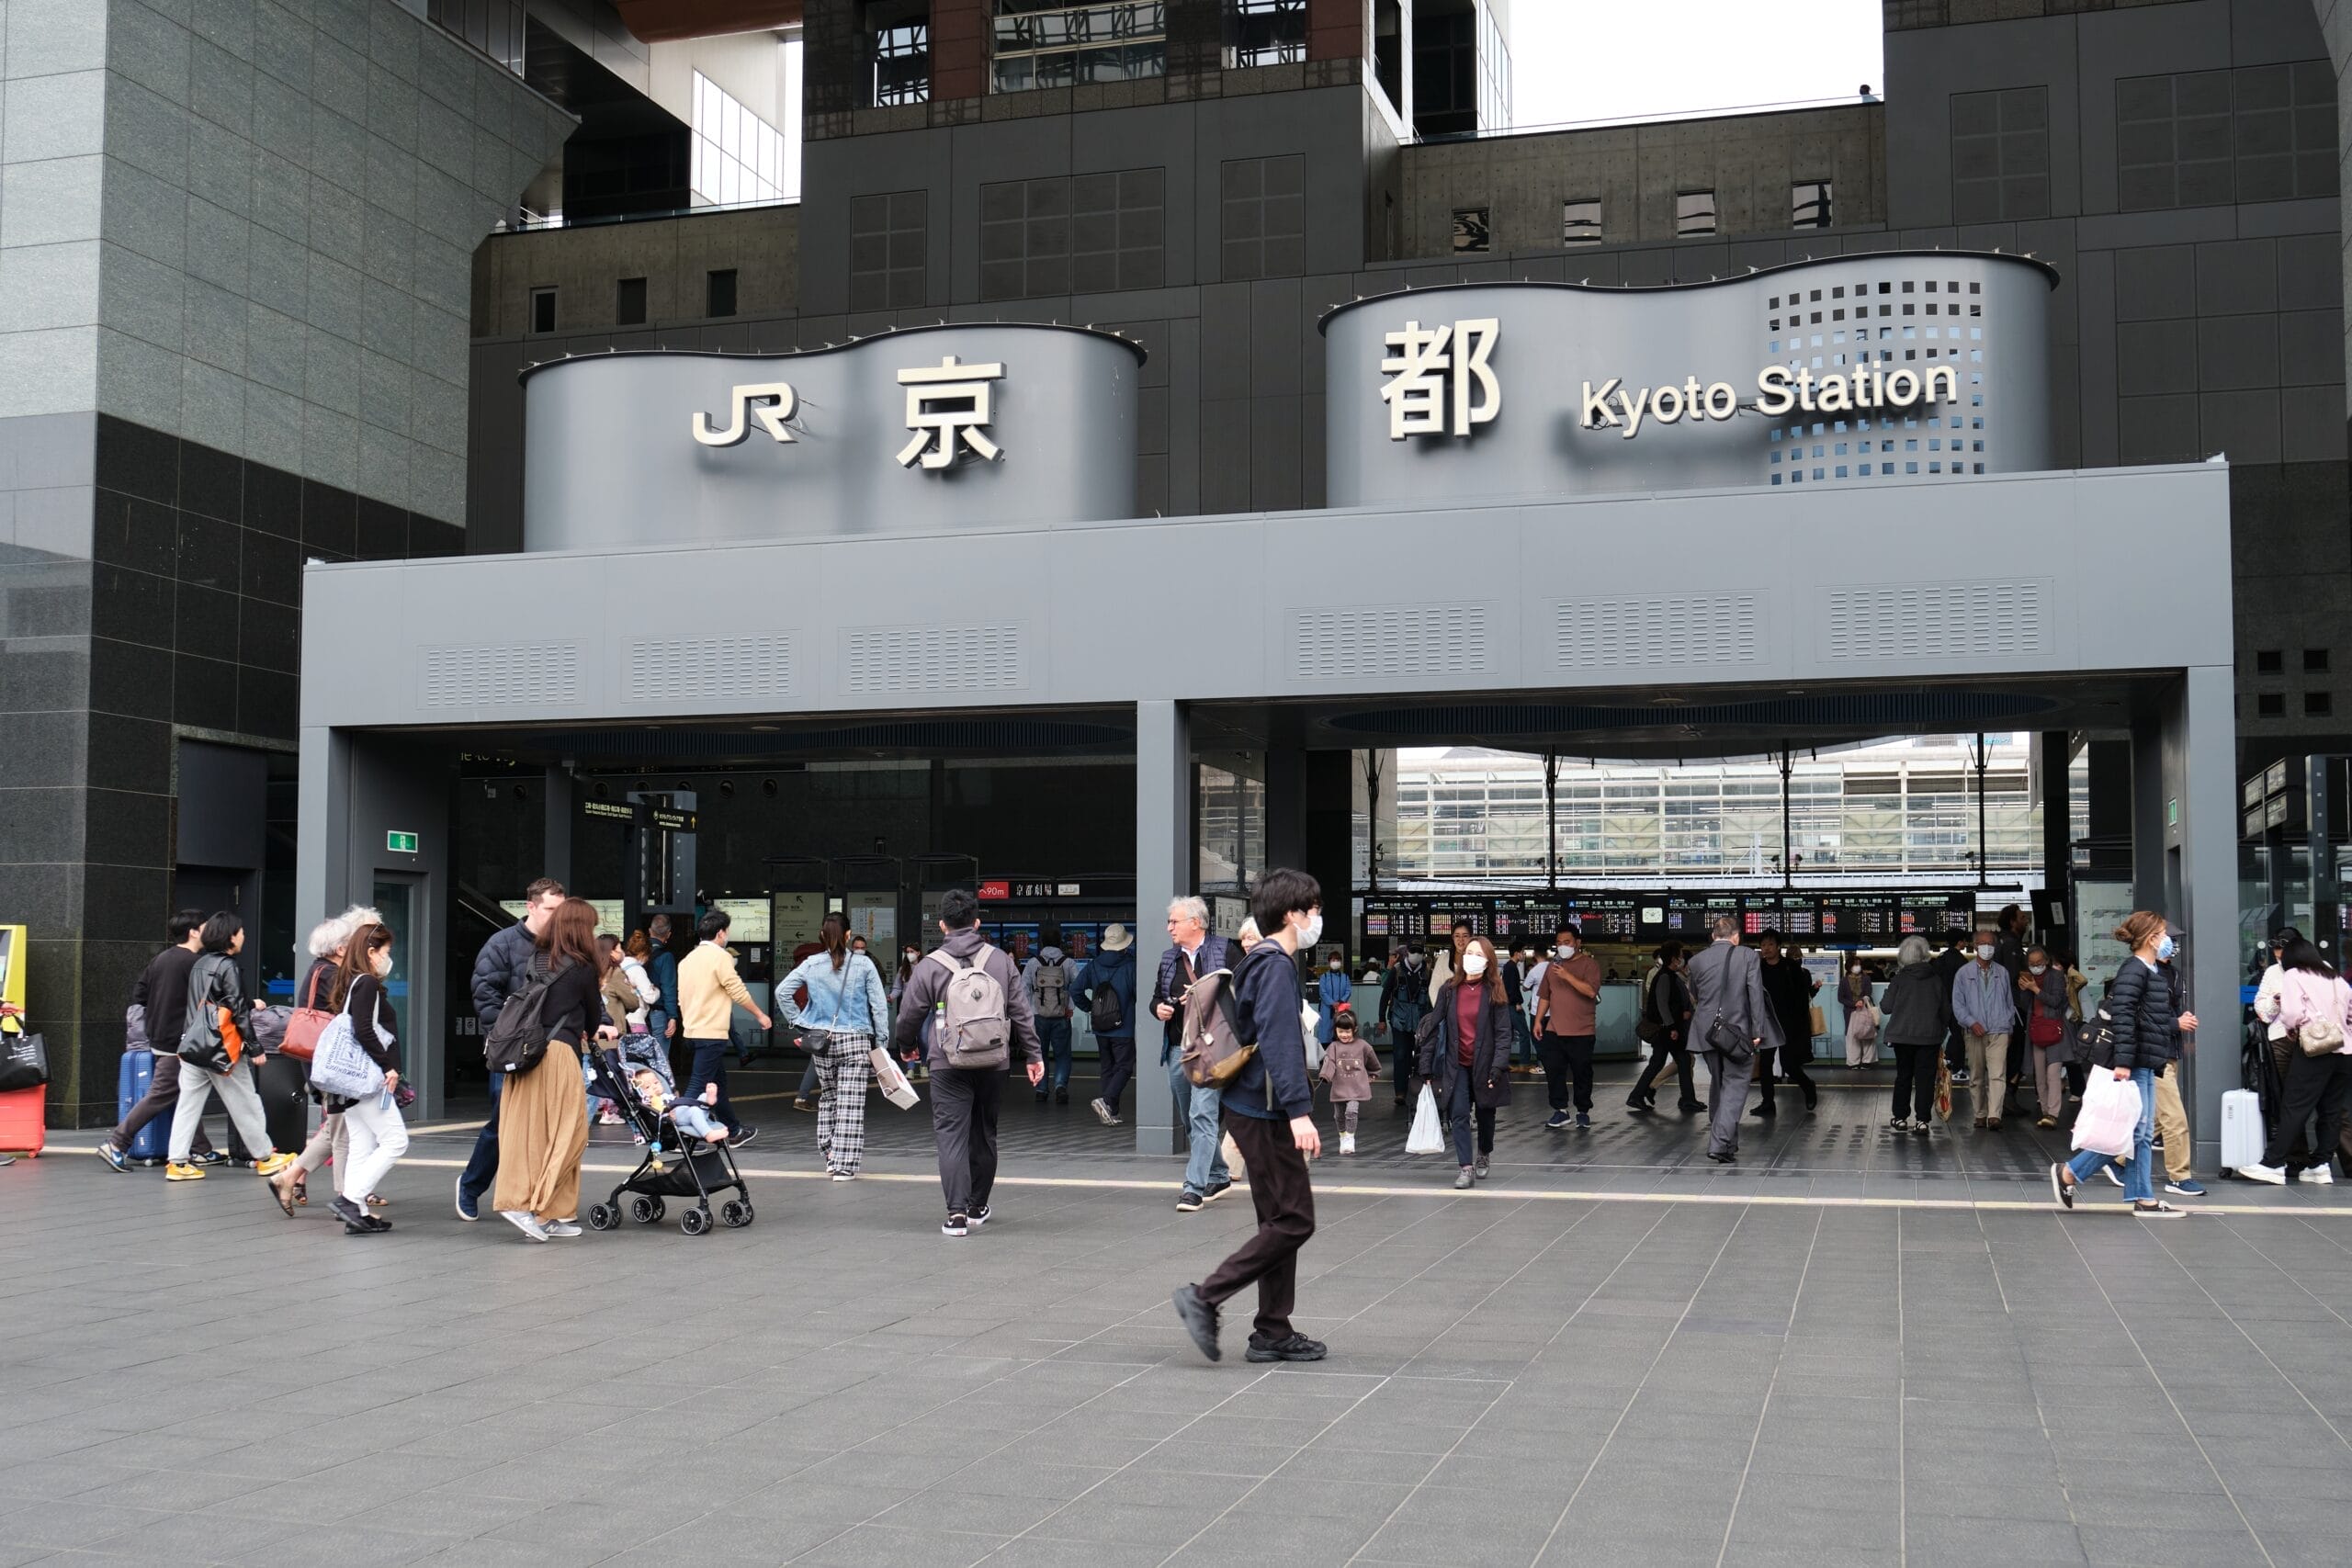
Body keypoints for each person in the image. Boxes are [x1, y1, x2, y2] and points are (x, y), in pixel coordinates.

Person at [1171, 867, 1326, 1365]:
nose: (1317, 918)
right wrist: (1300, 1114)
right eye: (1313, 909)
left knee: (1278, 1220)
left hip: (1251, 1106)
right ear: (1291, 915)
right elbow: (1280, 1042)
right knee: (1295, 1220)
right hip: (1264, 1111)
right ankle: (1206, 1296)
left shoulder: (1258, 960)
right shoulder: (1276, 964)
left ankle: (1272, 1330)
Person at [888, 887, 1045, 1235]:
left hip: (947, 1062)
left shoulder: (930, 966)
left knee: (951, 1136)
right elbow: (1021, 1011)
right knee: (984, 1133)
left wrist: (907, 1046)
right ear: (976, 922)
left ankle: (956, 1215)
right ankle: (977, 1206)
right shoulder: (1001, 961)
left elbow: (908, 1015)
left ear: (943, 925)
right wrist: (1033, 1054)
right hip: (994, 1061)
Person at [2052, 911, 2192, 1218]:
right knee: (2135, 1130)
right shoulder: (2136, 970)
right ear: (2151, 938)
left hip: (2144, 1060)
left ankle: (2080, 1176)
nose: (2167, 939)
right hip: (2135, 1061)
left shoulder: (2148, 969)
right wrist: (2125, 1062)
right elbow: (2124, 1016)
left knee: (2136, 1131)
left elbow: (2146, 1017)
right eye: (2162, 932)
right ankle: (2133, 1193)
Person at [492, 897, 610, 1240]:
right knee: (570, 1133)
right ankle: (533, 1206)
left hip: (526, 1054)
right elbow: (592, 1016)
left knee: (525, 1136)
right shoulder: (584, 967)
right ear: (581, 929)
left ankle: (549, 1212)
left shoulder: (536, 958)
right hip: (558, 1055)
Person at [455, 877, 567, 1222]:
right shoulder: (501, 944)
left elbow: (582, 989)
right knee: (504, 1123)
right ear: (530, 906)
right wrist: (503, 1037)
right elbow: (485, 994)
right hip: (512, 1050)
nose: (557, 917)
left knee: (548, 1126)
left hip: (552, 1047)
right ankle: (471, 1186)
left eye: (561, 910)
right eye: (550, 909)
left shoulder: (565, 946)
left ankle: (535, 1198)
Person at [163, 912, 297, 1182]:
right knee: (245, 1101)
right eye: (241, 932)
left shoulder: (200, 963)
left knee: (188, 1105)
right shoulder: (228, 966)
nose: (244, 936)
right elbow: (236, 1011)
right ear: (231, 937)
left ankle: (177, 1163)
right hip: (222, 1048)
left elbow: (213, 1003)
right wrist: (255, 1047)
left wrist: (247, 1003)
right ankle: (266, 1158)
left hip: (193, 1046)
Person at [273, 905, 387, 1209]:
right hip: (333, 1063)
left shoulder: (318, 969)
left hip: (322, 1060)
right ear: (339, 948)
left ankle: (291, 1176)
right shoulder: (333, 975)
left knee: (337, 1125)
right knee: (343, 1130)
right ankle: (346, 1196)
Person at [99, 910, 223, 1172]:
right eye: (205, 927)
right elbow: (218, 996)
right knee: (162, 1093)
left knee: (184, 1089)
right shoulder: (195, 963)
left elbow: (139, 994)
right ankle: (117, 1143)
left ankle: (200, 1149)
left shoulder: (160, 959)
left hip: (158, 1036)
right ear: (194, 932)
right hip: (180, 1041)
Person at [777, 913, 890, 1181]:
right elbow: (878, 1006)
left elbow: (782, 991)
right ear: (849, 935)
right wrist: (882, 1043)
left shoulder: (811, 964)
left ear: (821, 934)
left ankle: (829, 1155)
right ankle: (844, 1165)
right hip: (855, 1039)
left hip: (821, 1040)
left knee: (828, 1096)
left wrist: (801, 1023)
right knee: (851, 1103)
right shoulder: (863, 964)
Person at [312, 921, 409, 1235]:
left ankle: (357, 1213)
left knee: (362, 1145)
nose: (387, 957)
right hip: (367, 1079)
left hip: (350, 1083)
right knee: (395, 1141)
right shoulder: (366, 983)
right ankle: (352, 1200)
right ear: (371, 952)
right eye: (385, 951)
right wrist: (387, 1067)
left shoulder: (351, 980)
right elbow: (364, 1029)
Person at [2239, 936, 2352, 1185]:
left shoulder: (2294, 976)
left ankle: (2273, 1163)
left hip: (2315, 1049)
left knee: (2294, 1106)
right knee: (2331, 1110)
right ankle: (2321, 1165)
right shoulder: (2335, 978)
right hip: (2344, 1052)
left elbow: (2291, 1014)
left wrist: (2293, 1028)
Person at [1149, 897, 1236, 1212]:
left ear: (1195, 923)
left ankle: (1193, 1188)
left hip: (1213, 1049)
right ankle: (1219, 1173)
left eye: (1174, 921)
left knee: (1202, 1113)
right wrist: (1158, 1008)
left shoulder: (1225, 950)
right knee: (1190, 1115)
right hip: (1178, 1047)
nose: (1169, 927)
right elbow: (1155, 997)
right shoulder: (1168, 958)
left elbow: (1239, 996)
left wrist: (1205, 999)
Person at [1424, 935, 1514, 1188]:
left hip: (1485, 1064)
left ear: (1488, 962)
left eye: (1478, 955)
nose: (1471, 958)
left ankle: (1484, 1152)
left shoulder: (1494, 991)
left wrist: (1498, 1065)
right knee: (1459, 1113)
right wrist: (1425, 1062)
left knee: (1486, 1113)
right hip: (1457, 1064)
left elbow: (1504, 1033)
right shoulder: (1449, 990)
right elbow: (1434, 1025)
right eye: (1469, 953)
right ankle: (1465, 1167)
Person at [1684, 914, 1775, 1164]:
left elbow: (1694, 994)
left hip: (1706, 1032)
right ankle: (1718, 1142)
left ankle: (1728, 1145)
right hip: (1736, 1032)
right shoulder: (1747, 956)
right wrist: (1757, 1031)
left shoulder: (1697, 961)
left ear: (1713, 936)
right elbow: (1755, 994)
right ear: (1736, 937)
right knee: (1735, 1084)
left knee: (1719, 1084)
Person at [678, 908, 770, 1148]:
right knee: (697, 1086)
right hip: (711, 1033)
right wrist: (760, 1014)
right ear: (720, 933)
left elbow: (682, 997)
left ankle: (734, 1131)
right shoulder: (720, 957)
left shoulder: (688, 959)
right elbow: (737, 990)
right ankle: (678, 1134)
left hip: (692, 1032)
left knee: (716, 1085)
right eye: (727, 931)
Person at [1532, 923, 1602, 1130]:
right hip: (1555, 1028)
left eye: (1567, 942)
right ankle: (1560, 1110)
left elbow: (1590, 992)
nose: (1563, 946)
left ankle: (1583, 1111)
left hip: (1582, 1030)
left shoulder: (1590, 965)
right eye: (1559, 943)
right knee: (1554, 1071)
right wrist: (1538, 1020)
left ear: (1577, 943)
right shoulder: (1552, 967)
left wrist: (1567, 976)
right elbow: (1545, 995)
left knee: (1582, 1072)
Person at [1879, 934, 1950, 1133]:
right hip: (1929, 1037)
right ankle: (1922, 1121)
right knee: (1925, 1079)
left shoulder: (1899, 979)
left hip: (1902, 1037)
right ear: (1925, 955)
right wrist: (1941, 1030)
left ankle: (1900, 1118)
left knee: (1904, 1076)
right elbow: (1945, 1011)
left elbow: (1886, 1007)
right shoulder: (1936, 980)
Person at [1951, 929, 2018, 1128]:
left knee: (1998, 1074)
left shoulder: (2002, 972)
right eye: (1982, 943)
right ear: (1975, 946)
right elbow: (1958, 1004)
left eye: (1990, 943)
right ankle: (1980, 1114)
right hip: (1974, 1032)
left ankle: (1994, 1116)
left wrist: (2010, 1027)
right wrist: (1971, 1022)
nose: (1987, 947)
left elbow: (2009, 1003)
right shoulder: (1963, 974)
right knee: (1977, 1076)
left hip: (1999, 1030)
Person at [1628, 942, 1703, 1114]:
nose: (1681, 959)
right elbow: (1662, 1005)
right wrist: (1673, 1026)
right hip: (1667, 1030)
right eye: (1679, 955)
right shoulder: (1664, 977)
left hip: (1670, 1029)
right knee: (1677, 1061)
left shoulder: (1670, 975)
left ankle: (1639, 1095)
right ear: (1673, 958)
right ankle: (1686, 1099)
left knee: (1671, 1062)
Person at [1077, 922, 1139, 1127]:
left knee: (1108, 1067)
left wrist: (1089, 1008)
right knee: (1125, 1067)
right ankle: (1107, 1101)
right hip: (1124, 1027)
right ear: (1124, 945)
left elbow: (1075, 990)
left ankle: (1111, 1112)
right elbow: (1139, 993)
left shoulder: (1094, 965)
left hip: (1101, 1027)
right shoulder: (1131, 966)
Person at [1753, 931, 1820, 1117]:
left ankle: (1808, 1087)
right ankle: (1767, 1102)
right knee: (1765, 1064)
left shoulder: (1791, 967)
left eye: (1770, 945)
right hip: (1767, 1022)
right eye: (1763, 945)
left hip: (1789, 1023)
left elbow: (1801, 997)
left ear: (1778, 947)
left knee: (1788, 1064)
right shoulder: (1758, 969)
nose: (1766, 949)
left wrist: (1799, 1025)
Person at [1023, 924, 1078, 1105]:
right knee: (1063, 1054)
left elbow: (1024, 990)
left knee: (1040, 1054)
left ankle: (1041, 1089)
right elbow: (1076, 987)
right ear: (1060, 943)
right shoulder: (1068, 963)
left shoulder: (1033, 963)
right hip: (1062, 1016)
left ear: (1042, 943)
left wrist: (1030, 1010)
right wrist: (1070, 1006)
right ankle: (1060, 1086)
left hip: (1038, 1016)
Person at [2019, 945, 2072, 1129]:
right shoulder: (2028, 978)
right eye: (2032, 963)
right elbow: (2025, 1006)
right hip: (2036, 1030)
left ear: (2046, 962)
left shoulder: (2057, 977)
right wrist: (2025, 989)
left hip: (2054, 1029)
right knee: (2039, 1075)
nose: (2036, 966)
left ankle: (2053, 1113)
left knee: (2053, 1074)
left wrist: (2035, 989)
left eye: (2039, 963)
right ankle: (2045, 1111)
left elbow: (2056, 1001)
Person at [1318, 1007, 1379, 1154]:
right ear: (1335, 1031)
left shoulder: (1363, 1045)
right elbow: (1330, 1062)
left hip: (1356, 1087)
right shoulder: (1333, 1047)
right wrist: (1325, 1075)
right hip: (1339, 1086)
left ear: (1355, 1029)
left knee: (1351, 1112)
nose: (1344, 1035)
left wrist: (1373, 1074)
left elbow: (1373, 1061)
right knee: (1338, 1115)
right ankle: (1343, 1136)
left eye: (1347, 1031)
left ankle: (1350, 1138)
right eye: (1340, 1031)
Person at [1384, 945, 1430, 1107]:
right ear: (1407, 953)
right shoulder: (1397, 970)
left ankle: (1418, 1090)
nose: (1415, 955)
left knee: (1420, 1057)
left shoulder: (1427, 973)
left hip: (1420, 1022)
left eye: (1419, 952)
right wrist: (1381, 1019)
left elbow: (1431, 999)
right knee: (1400, 1056)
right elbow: (1385, 994)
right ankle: (1400, 1093)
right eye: (1413, 952)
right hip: (1399, 1021)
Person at [1932, 931, 1972, 1082]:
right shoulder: (1961, 961)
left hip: (1941, 1004)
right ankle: (1958, 1069)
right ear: (1960, 942)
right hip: (1957, 1004)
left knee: (1938, 1036)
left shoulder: (1941, 959)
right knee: (1959, 1035)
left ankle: (1945, 1059)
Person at [1839, 958, 1879, 1068]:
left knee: (1868, 1033)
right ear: (1849, 966)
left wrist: (1862, 1000)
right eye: (1855, 964)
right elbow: (1840, 998)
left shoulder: (1866, 979)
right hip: (1850, 1012)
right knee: (1852, 1036)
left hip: (1864, 1010)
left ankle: (1867, 1061)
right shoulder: (1844, 980)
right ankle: (1853, 1062)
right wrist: (1853, 1004)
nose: (1858, 967)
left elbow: (1868, 992)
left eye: (1859, 964)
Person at [1315, 952, 1351, 1047]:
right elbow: (1322, 992)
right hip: (1327, 1009)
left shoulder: (1345, 977)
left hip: (1341, 1009)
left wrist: (1340, 1002)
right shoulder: (1324, 977)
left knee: (1341, 1031)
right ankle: (1325, 1058)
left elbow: (1348, 991)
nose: (1336, 962)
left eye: (1338, 960)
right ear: (1329, 962)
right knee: (1325, 1033)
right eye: (1333, 960)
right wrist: (1332, 1003)